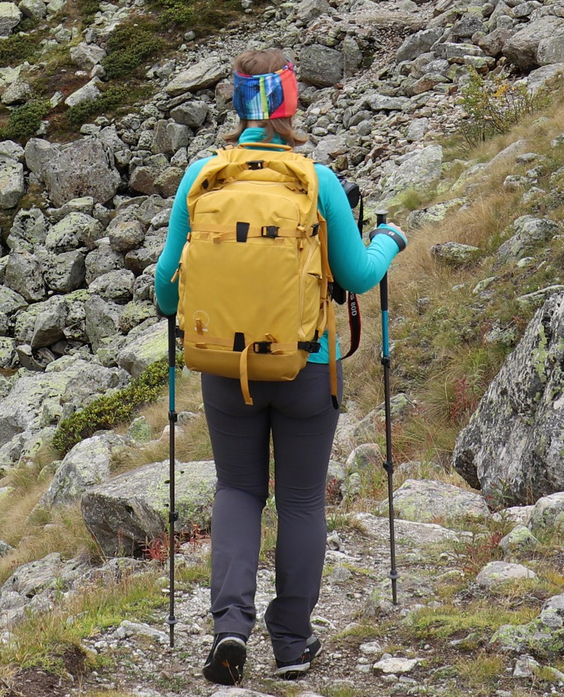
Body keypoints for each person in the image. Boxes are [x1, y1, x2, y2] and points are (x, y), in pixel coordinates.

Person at [154, 49, 406, 686]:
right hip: (305, 367)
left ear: (237, 103)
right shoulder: (315, 181)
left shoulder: (202, 178)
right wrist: (388, 241)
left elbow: (165, 290)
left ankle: (230, 628)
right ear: (290, 102)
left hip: (223, 368)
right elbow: (357, 276)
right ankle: (292, 644)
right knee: (299, 499)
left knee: (238, 489)